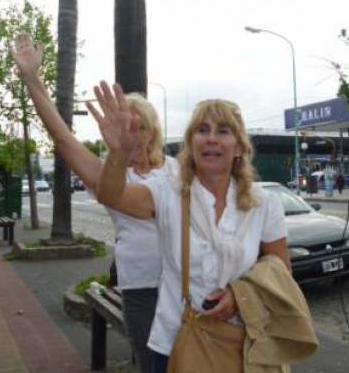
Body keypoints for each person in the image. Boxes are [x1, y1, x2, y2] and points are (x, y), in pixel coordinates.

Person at [87, 83, 292, 372]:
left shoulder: (265, 203)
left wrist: (240, 296)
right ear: (191, 144)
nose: (211, 138)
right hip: (176, 344)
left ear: (239, 147)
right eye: (202, 130)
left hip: (246, 345)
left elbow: (279, 268)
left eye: (223, 131)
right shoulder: (166, 191)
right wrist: (117, 154)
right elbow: (111, 195)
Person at [11, 34, 177, 373]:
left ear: (152, 130)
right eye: (123, 124)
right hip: (142, 290)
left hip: (186, 284)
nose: (132, 132)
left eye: (139, 124)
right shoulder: (107, 175)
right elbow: (62, 136)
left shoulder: (175, 169)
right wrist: (32, 80)